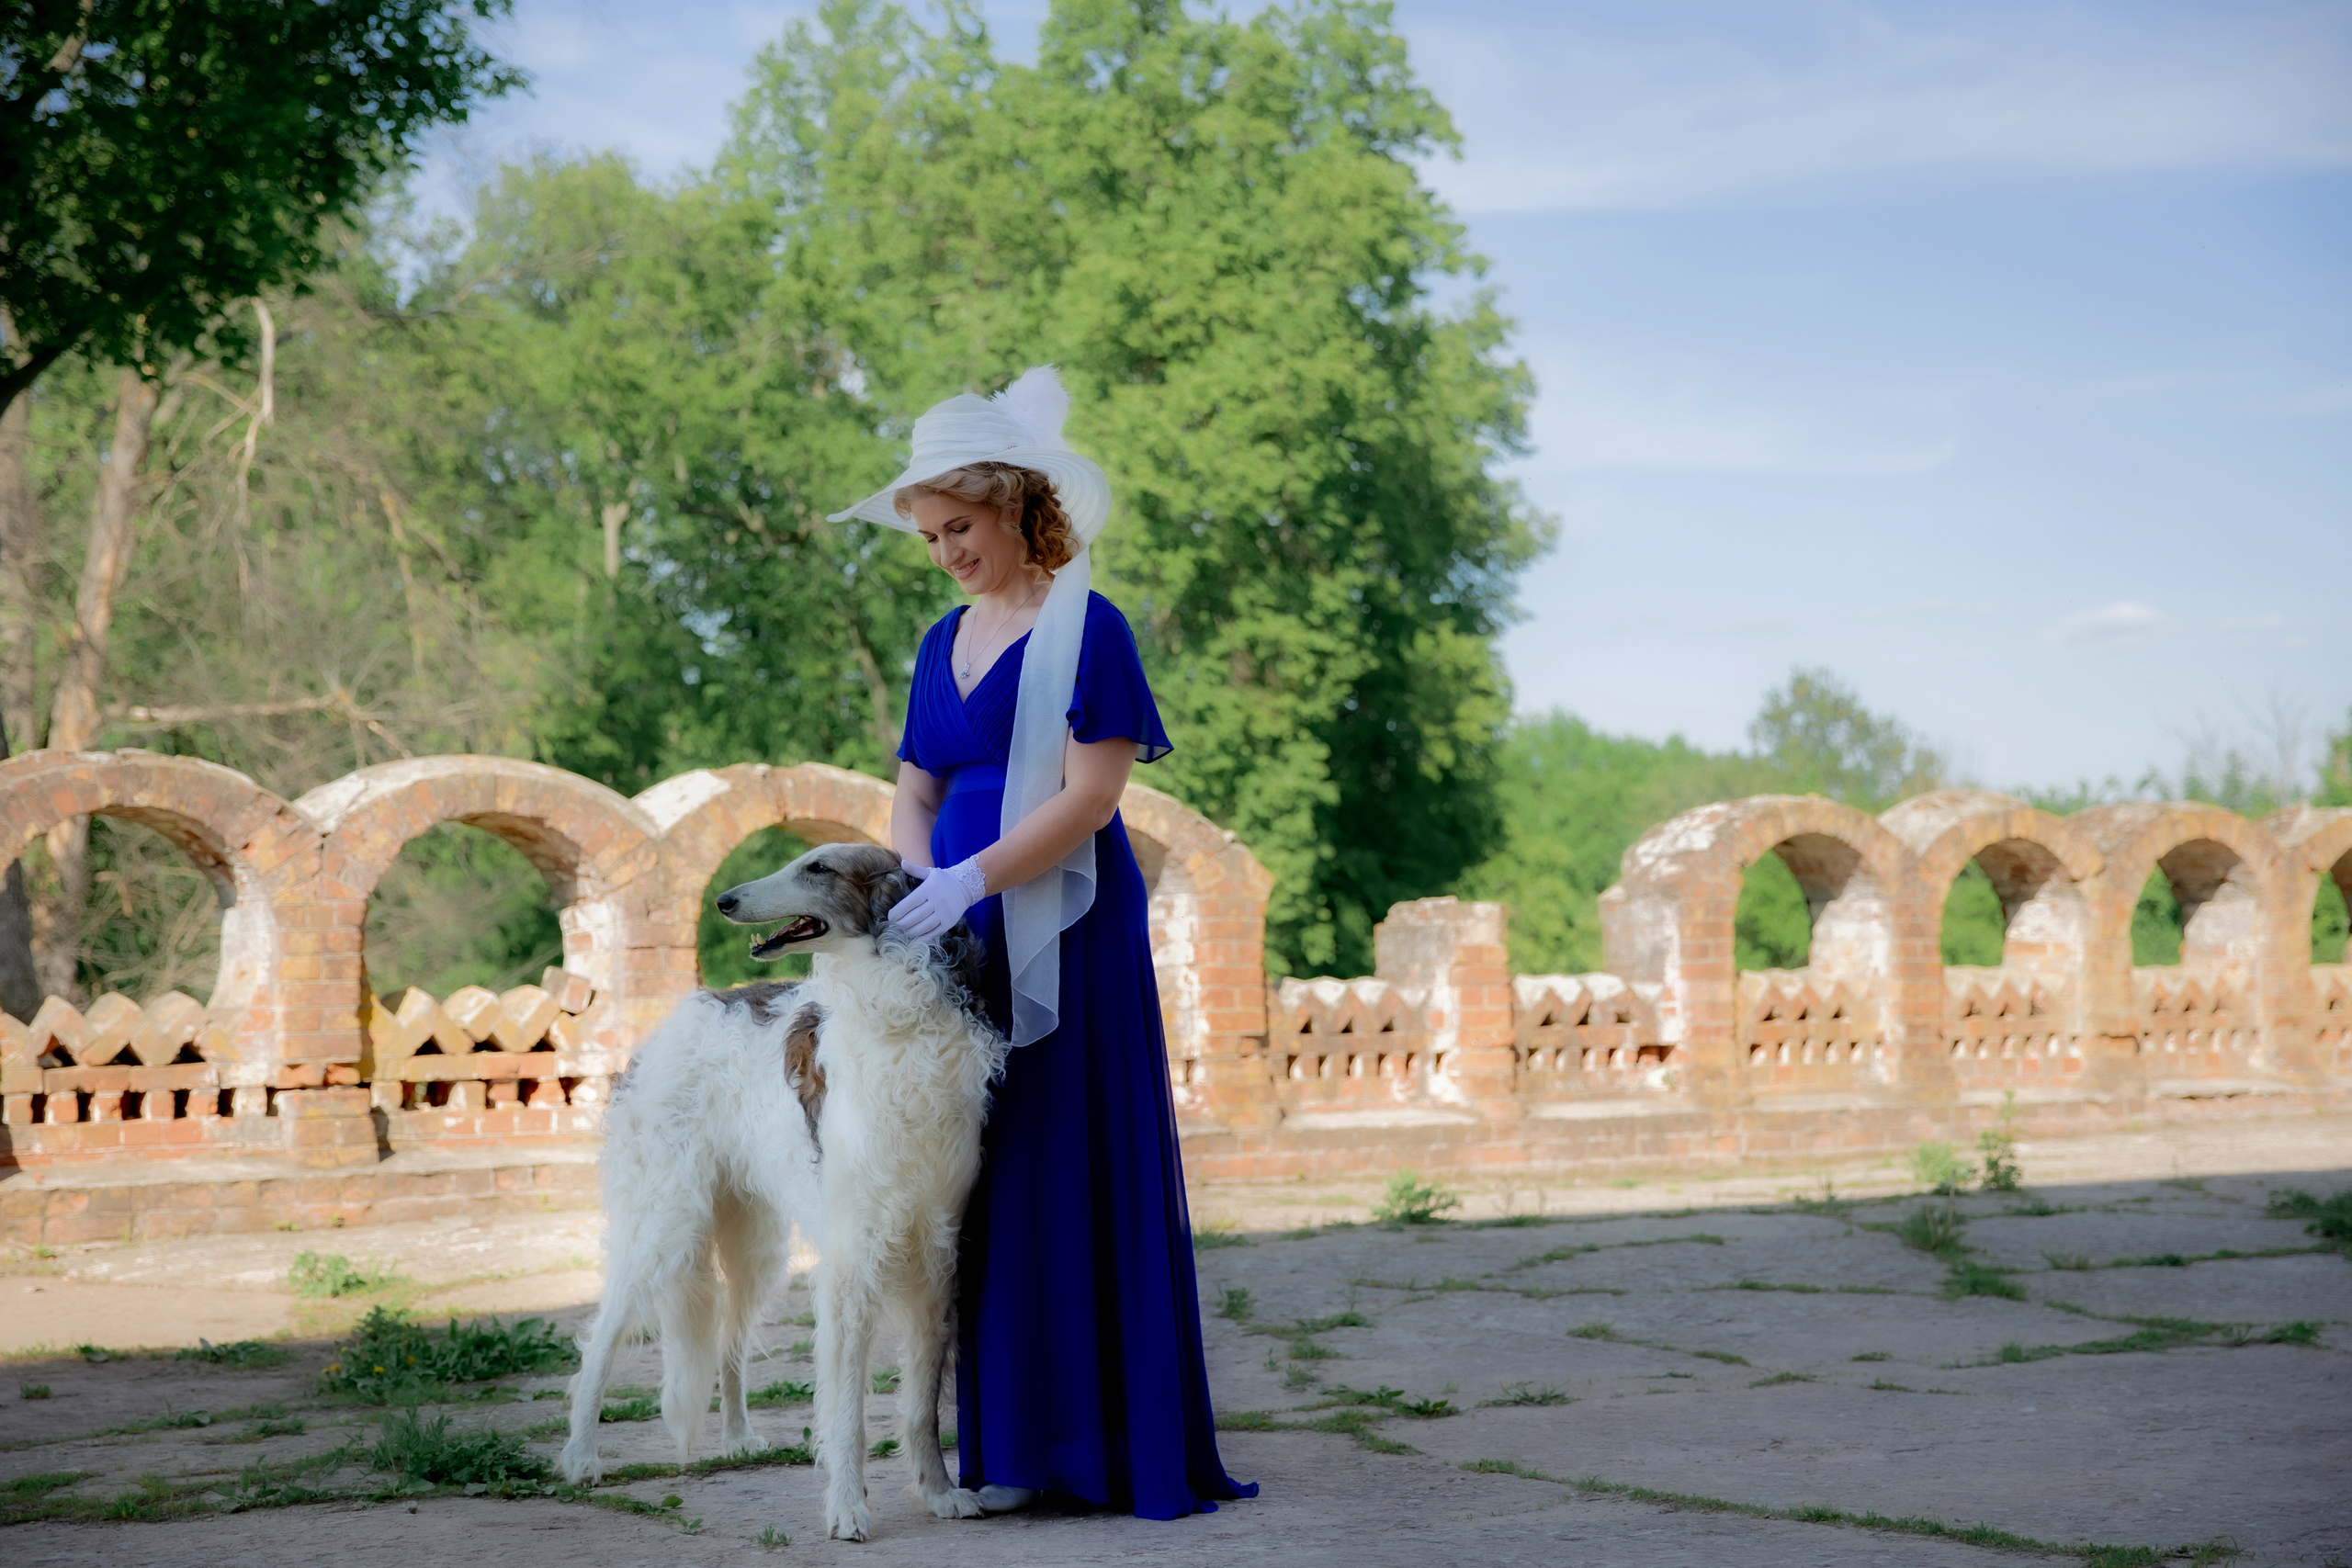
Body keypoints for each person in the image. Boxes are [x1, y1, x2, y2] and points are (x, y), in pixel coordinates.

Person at [825, 367, 1256, 1521]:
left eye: (958, 527)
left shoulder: (1090, 627)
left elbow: (1092, 799)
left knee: (1067, 1152)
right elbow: (912, 786)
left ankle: (1106, 1444)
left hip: (1063, 916)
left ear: (1016, 504)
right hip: (948, 927)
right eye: (928, 535)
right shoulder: (937, 640)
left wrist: (976, 873)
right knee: (986, 1172)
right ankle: (1009, 1444)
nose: (945, 553)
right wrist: (920, 881)